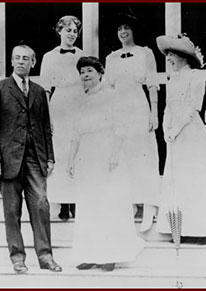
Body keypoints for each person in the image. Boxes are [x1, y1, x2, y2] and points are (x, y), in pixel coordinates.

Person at [0, 44, 62, 273]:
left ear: (33, 62)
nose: (21, 62)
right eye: (17, 58)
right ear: (11, 61)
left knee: (40, 206)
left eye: (26, 58)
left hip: (35, 157)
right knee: (12, 210)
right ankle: (17, 258)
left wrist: (50, 157)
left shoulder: (38, 91)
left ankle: (46, 257)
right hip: (8, 160)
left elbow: (46, 127)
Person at [67, 56, 144, 272]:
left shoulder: (112, 95)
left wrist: (115, 154)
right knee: (89, 204)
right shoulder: (80, 100)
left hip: (107, 151)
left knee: (108, 203)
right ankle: (91, 254)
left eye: (89, 70)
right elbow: (75, 132)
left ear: (100, 73)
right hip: (87, 155)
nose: (85, 75)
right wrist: (71, 158)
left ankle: (111, 254)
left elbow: (120, 126)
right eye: (82, 72)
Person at [156, 34, 206, 244]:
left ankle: (204, 230)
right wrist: (167, 128)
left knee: (195, 178)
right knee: (178, 180)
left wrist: (175, 129)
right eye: (167, 56)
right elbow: (168, 107)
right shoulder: (173, 79)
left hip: (190, 132)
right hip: (175, 135)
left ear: (182, 56)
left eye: (171, 55)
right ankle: (180, 230)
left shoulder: (195, 77)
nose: (169, 60)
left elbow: (192, 108)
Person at [105, 13, 160, 232]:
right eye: (119, 28)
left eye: (126, 27)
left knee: (143, 154)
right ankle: (131, 203)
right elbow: (108, 88)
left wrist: (154, 112)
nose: (123, 32)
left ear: (134, 30)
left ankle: (149, 204)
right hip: (118, 110)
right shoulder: (111, 58)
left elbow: (153, 84)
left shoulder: (145, 53)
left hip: (138, 107)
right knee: (123, 156)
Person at [40, 15, 84, 221]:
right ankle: (62, 202)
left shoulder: (82, 55)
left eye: (75, 31)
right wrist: (48, 116)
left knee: (77, 151)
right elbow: (46, 89)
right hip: (59, 105)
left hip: (79, 103)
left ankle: (76, 200)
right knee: (59, 151)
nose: (72, 34)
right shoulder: (49, 56)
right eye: (68, 30)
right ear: (59, 31)